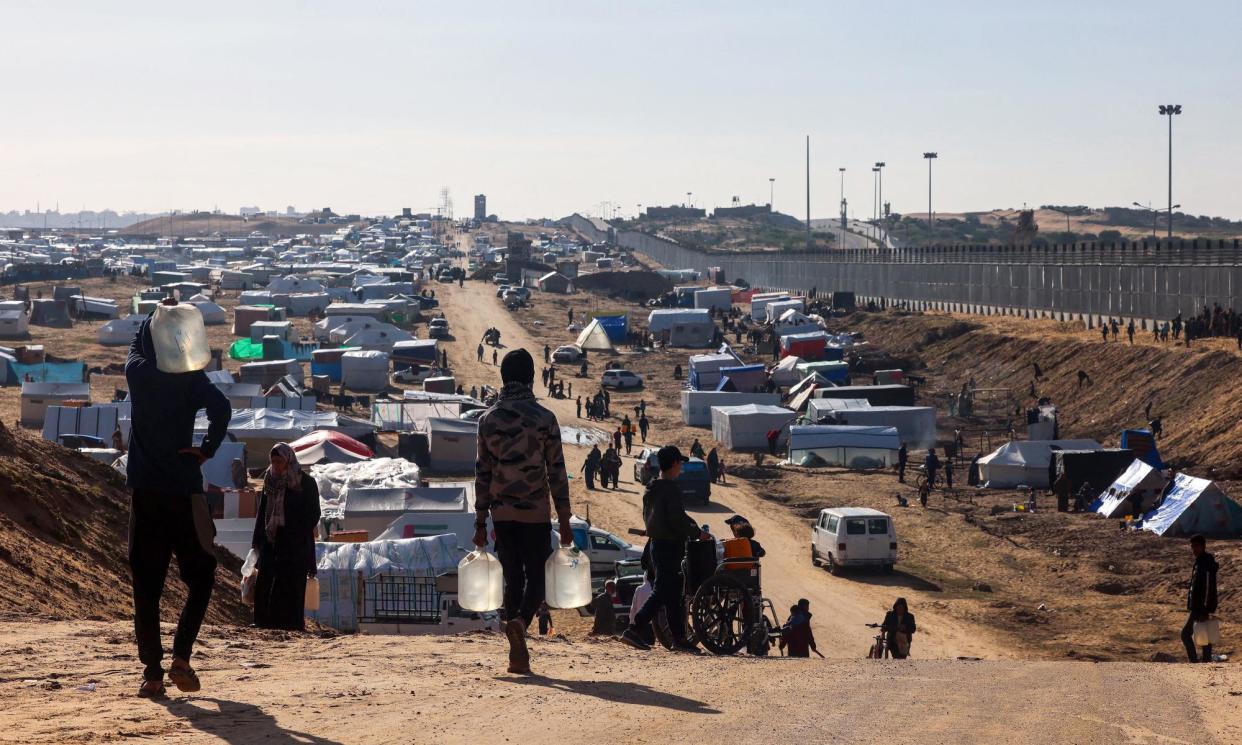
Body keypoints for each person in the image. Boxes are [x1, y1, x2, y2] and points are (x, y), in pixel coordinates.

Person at [125, 301, 231, 698]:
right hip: (184, 493)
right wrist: (207, 448)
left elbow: (138, 344)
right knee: (201, 576)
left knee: (146, 586)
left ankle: (152, 673)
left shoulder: (137, 372)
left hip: (146, 493)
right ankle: (182, 657)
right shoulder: (190, 378)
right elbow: (221, 407)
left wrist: (153, 317)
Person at [474, 348, 574, 675]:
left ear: (503, 378)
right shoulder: (544, 419)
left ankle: (517, 650)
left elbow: (482, 475)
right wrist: (565, 519)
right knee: (538, 579)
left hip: (502, 516)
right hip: (535, 514)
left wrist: (479, 521)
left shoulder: (487, 420)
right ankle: (520, 624)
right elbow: (557, 471)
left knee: (513, 579)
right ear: (531, 377)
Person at [621, 446, 708, 653]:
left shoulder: (652, 487)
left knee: (673, 595)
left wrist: (692, 527)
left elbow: (673, 517)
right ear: (675, 464)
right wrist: (697, 533)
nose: (682, 467)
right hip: (669, 546)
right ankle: (634, 629)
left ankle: (679, 639)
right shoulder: (670, 489)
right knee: (662, 591)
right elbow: (677, 519)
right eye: (681, 463)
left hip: (658, 545)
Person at [251, 443, 320, 631]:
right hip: (271, 540)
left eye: (279, 461)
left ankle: (292, 623)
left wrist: (295, 531)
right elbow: (263, 511)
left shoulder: (305, 483)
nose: (276, 465)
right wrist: (257, 540)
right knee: (266, 581)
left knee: (291, 583)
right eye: (273, 461)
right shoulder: (269, 480)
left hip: (295, 543)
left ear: (288, 460)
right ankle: (263, 621)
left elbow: (314, 513)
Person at [1181, 535, 1219, 663]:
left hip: (1201, 608)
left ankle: (1194, 662)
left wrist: (1205, 610)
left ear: (1203, 546)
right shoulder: (1200, 561)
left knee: (1186, 634)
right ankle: (1206, 661)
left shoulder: (1205, 563)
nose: (1194, 549)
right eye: (1192, 547)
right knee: (1204, 633)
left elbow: (1208, 588)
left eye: (1196, 546)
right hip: (1199, 607)